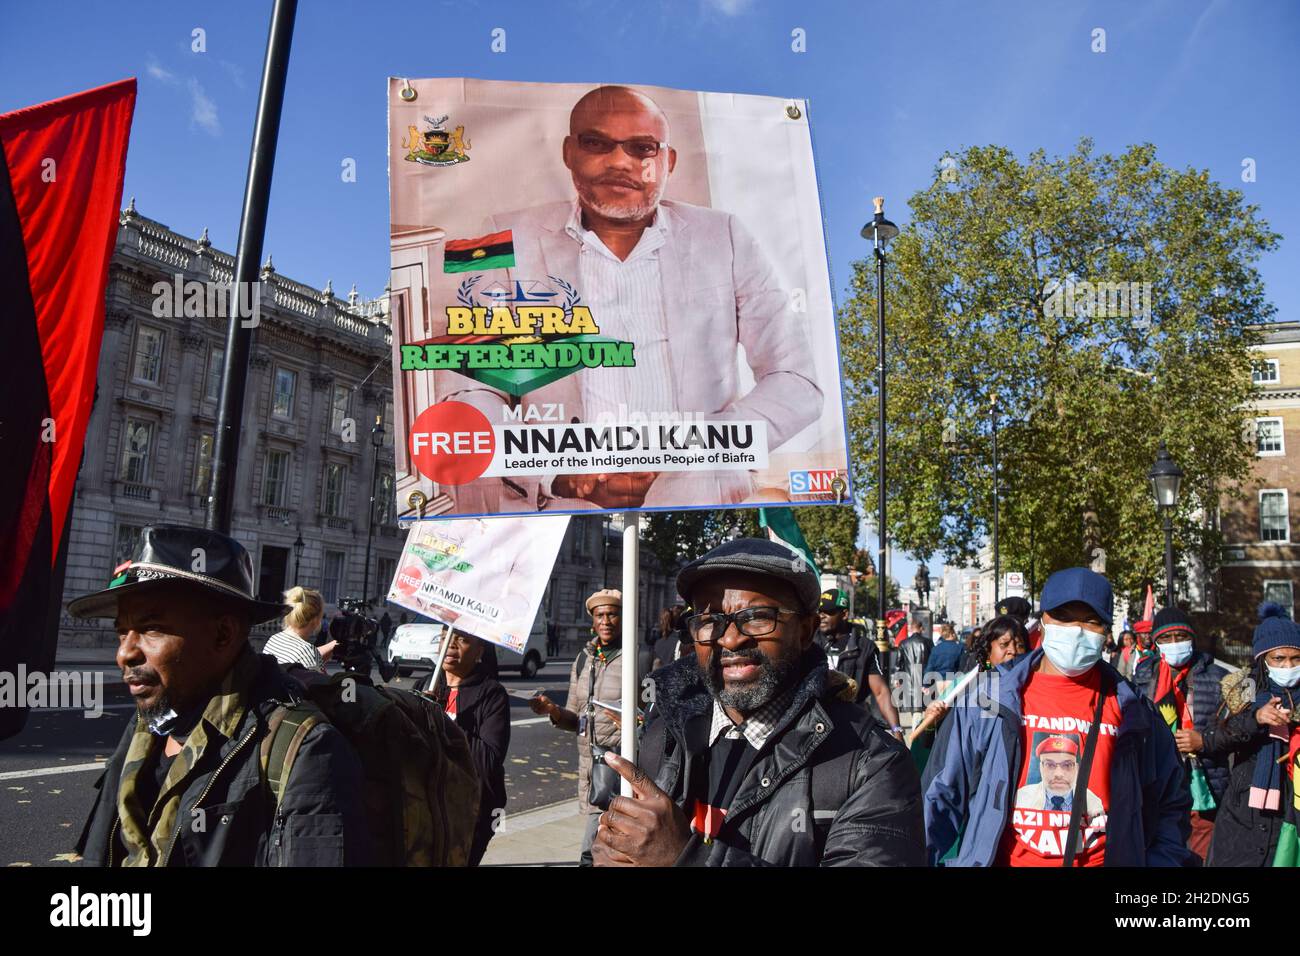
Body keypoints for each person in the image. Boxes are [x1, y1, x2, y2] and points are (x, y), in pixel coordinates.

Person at [438, 84, 823, 514]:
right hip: (557, 509)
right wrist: (558, 468)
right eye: (597, 143)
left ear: (667, 162)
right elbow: (468, 390)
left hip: (702, 507)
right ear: (569, 152)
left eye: (642, 148)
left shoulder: (724, 237)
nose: (620, 161)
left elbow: (797, 381)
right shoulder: (506, 239)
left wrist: (696, 453)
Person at [589, 538, 924, 866]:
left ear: (806, 631)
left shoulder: (872, 763)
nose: (732, 639)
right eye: (709, 621)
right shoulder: (663, 736)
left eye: (758, 617)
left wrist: (686, 858)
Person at [70, 525, 371, 866]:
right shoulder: (149, 723)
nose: (125, 653)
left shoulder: (304, 750)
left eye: (151, 628)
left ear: (223, 634)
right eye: (122, 632)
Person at [922, 567, 1197, 867]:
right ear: (1043, 623)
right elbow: (939, 795)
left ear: (1106, 631)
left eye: (1091, 622)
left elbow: (1171, 801)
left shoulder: (1134, 709)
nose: (1077, 629)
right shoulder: (988, 699)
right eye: (1064, 617)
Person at [528, 588, 624, 865]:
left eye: (612, 614)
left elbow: (654, 719)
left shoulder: (638, 659)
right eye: (600, 615)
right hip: (592, 771)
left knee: (597, 851)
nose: (606, 621)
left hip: (624, 770)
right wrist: (553, 711)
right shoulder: (583, 660)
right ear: (593, 621)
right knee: (593, 852)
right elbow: (575, 719)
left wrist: (635, 722)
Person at [1130, 607, 1231, 862]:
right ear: (1155, 642)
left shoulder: (1220, 678)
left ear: (1192, 638)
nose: (1175, 643)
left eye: (1180, 636)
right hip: (1157, 781)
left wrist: (1203, 740)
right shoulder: (1142, 677)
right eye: (1166, 638)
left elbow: (1240, 732)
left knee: (1202, 850)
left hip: (1206, 782)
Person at [1206, 603, 1300, 866]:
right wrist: (1256, 719)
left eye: (1296, 658)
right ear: (1263, 660)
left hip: (1291, 815)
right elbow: (1216, 739)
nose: (1288, 666)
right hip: (1243, 815)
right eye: (1279, 659)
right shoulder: (1245, 690)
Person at [425, 630, 510, 866]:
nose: (450, 644)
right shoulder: (427, 686)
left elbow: (488, 761)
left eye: (462, 639)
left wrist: (442, 721)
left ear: (480, 651)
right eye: (444, 637)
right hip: (426, 804)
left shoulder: (492, 694)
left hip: (471, 810)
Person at [814, 588, 903, 739]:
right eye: (820, 611)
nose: (822, 616)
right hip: (814, 723)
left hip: (851, 726)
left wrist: (896, 730)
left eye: (828, 612)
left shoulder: (864, 647)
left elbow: (881, 692)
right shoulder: (810, 642)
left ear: (844, 614)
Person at [927, 614, 1027, 731]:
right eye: (1004, 644)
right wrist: (931, 723)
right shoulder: (965, 686)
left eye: (1020, 645)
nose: (1013, 651)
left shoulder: (1033, 685)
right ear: (988, 650)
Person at [262, 586, 336, 673]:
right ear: (316, 620)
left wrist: (334, 645)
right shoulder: (308, 653)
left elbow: (299, 654)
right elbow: (319, 684)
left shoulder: (274, 639)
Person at [895, 617, 932, 727]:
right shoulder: (928, 643)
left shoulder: (904, 643)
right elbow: (932, 661)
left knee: (915, 710)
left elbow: (898, 663)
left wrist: (897, 679)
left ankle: (916, 732)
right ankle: (921, 733)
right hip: (925, 678)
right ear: (921, 628)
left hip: (909, 680)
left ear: (911, 629)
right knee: (923, 709)